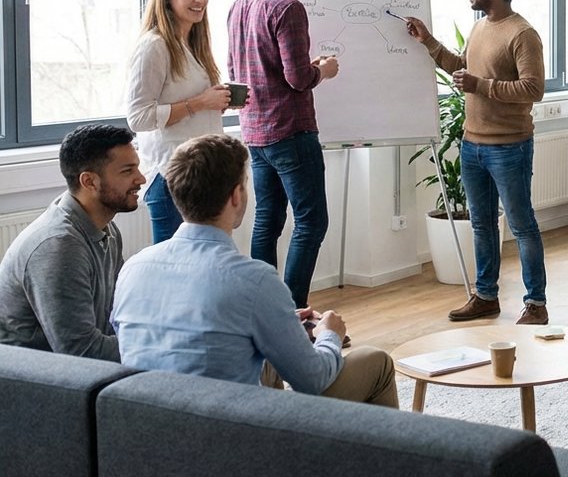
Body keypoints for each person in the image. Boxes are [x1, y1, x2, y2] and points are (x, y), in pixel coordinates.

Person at [112, 134, 397, 407]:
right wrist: (330, 334)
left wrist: (280, 322)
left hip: (149, 426)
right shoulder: (253, 279)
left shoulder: (133, 268)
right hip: (235, 433)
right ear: (237, 195)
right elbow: (313, 380)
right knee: (376, 362)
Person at [404, 0, 548, 326]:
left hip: (509, 147)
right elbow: (462, 69)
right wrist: (429, 42)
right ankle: (486, 296)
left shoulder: (522, 33)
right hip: (472, 145)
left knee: (521, 225)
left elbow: (533, 89)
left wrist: (481, 85)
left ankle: (536, 304)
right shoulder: (480, 27)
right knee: (481, 224)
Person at [228, 0, 338, 308]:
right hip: (291, 130)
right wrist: (323, 69)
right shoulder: (287, 6)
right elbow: (297, 77)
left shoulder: (240, 3)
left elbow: (236, 69)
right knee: (312, 221)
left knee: (267, 221)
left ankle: (264, 310)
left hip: (255, 132)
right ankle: (293, 312)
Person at [0, 125, 144, 361]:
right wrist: (158, 345)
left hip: (70, 373)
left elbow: (119, 310)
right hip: (33, 381)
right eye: (128, 171)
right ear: (89, 181)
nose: (141, 178)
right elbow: (81, 352)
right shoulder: (59, 246)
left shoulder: (106, 227)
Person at [126, 0, 235, 243]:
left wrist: (217, 101)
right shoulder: (154, 46)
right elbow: (139, 118)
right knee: (173, 267)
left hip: (201, 172)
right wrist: (199, 103)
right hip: (170, 175)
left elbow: (191, 102)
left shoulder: (193, 45)